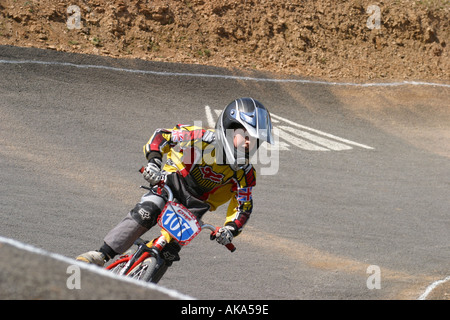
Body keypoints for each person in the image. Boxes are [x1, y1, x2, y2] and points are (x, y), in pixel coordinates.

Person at [76, 97, 274, 266]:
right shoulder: (201, 137)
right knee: (148, 210)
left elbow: (243, 205)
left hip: (196, 207)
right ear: (229, 129)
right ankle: (101, 254)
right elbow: (162, 136)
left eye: (255, 139)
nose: (249, 143)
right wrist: (154, 163)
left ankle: (146, 273)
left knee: (170, 251)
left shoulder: (245, 173)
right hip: (172, 183)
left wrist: (230, 229)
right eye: (245, 135)